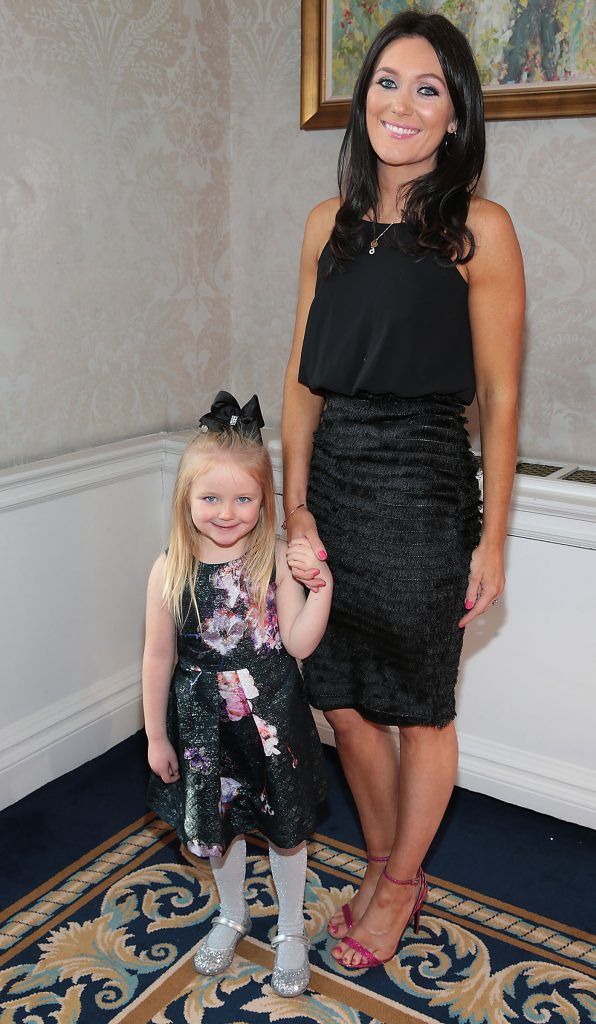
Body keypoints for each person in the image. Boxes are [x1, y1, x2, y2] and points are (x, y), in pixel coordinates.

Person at [282, 11, 524, 971]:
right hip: (333, 479)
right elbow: (302, 378)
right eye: (388, 81)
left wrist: (494, 539)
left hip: (425, 489)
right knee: (338, 701)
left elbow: (502, 402)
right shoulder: (322, 227)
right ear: (362, 99)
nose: (404, 103)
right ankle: (388, 861)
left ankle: (400, 883)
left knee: (421, 708)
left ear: (457, 115)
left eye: (430, 88)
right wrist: (294, 500)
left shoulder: (480, 231)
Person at [142, 391, 333, 997]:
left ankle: (292, 929)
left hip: (272, 720)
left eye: (244, 498)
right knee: (218, 830)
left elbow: (299, 643)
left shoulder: (272, 559)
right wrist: (154, 734)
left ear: (265, 500)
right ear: (186, 499)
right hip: (202, 727)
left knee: (284, 829)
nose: (228, 512)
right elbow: (156, 657)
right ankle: (232, 914)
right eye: (211, 498)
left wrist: (321, 588)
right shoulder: (168, 568)